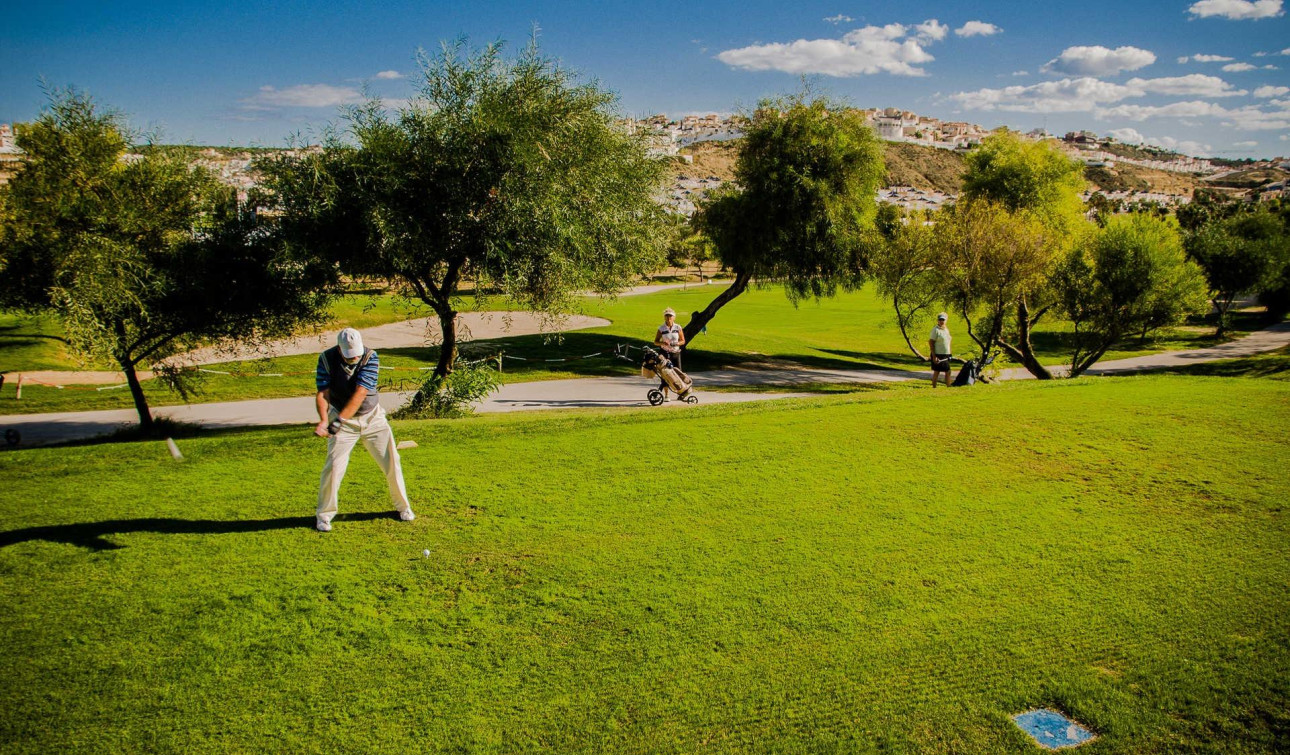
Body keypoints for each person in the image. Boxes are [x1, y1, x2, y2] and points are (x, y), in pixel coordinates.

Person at [313, 327, 414, 532]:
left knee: (392, 462)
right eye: (350, 355)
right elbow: (323, 393)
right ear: (340, 349)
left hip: (372, 419)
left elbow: (360, 394)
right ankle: (324, 515)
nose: (355, 357)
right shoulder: (326, 359)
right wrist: (324, 420)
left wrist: (338, 420)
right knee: (333, 467)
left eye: (357, 353)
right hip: (342, 421)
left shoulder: (370, 357)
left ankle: (403, 507)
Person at [928, 312, 953, 388]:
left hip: (945, 354)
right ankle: (936, 387)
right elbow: (931, 342)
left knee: (945, 371)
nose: (942, 321)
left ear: (946, 320)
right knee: (939, 371)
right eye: (940, 320)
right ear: (938, 320)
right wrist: (934, 356)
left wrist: (950, 353)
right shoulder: (935, 330)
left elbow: (948, 342)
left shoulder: (946, 329)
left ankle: (947, 386)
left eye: (943, 320)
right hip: (938, 354)